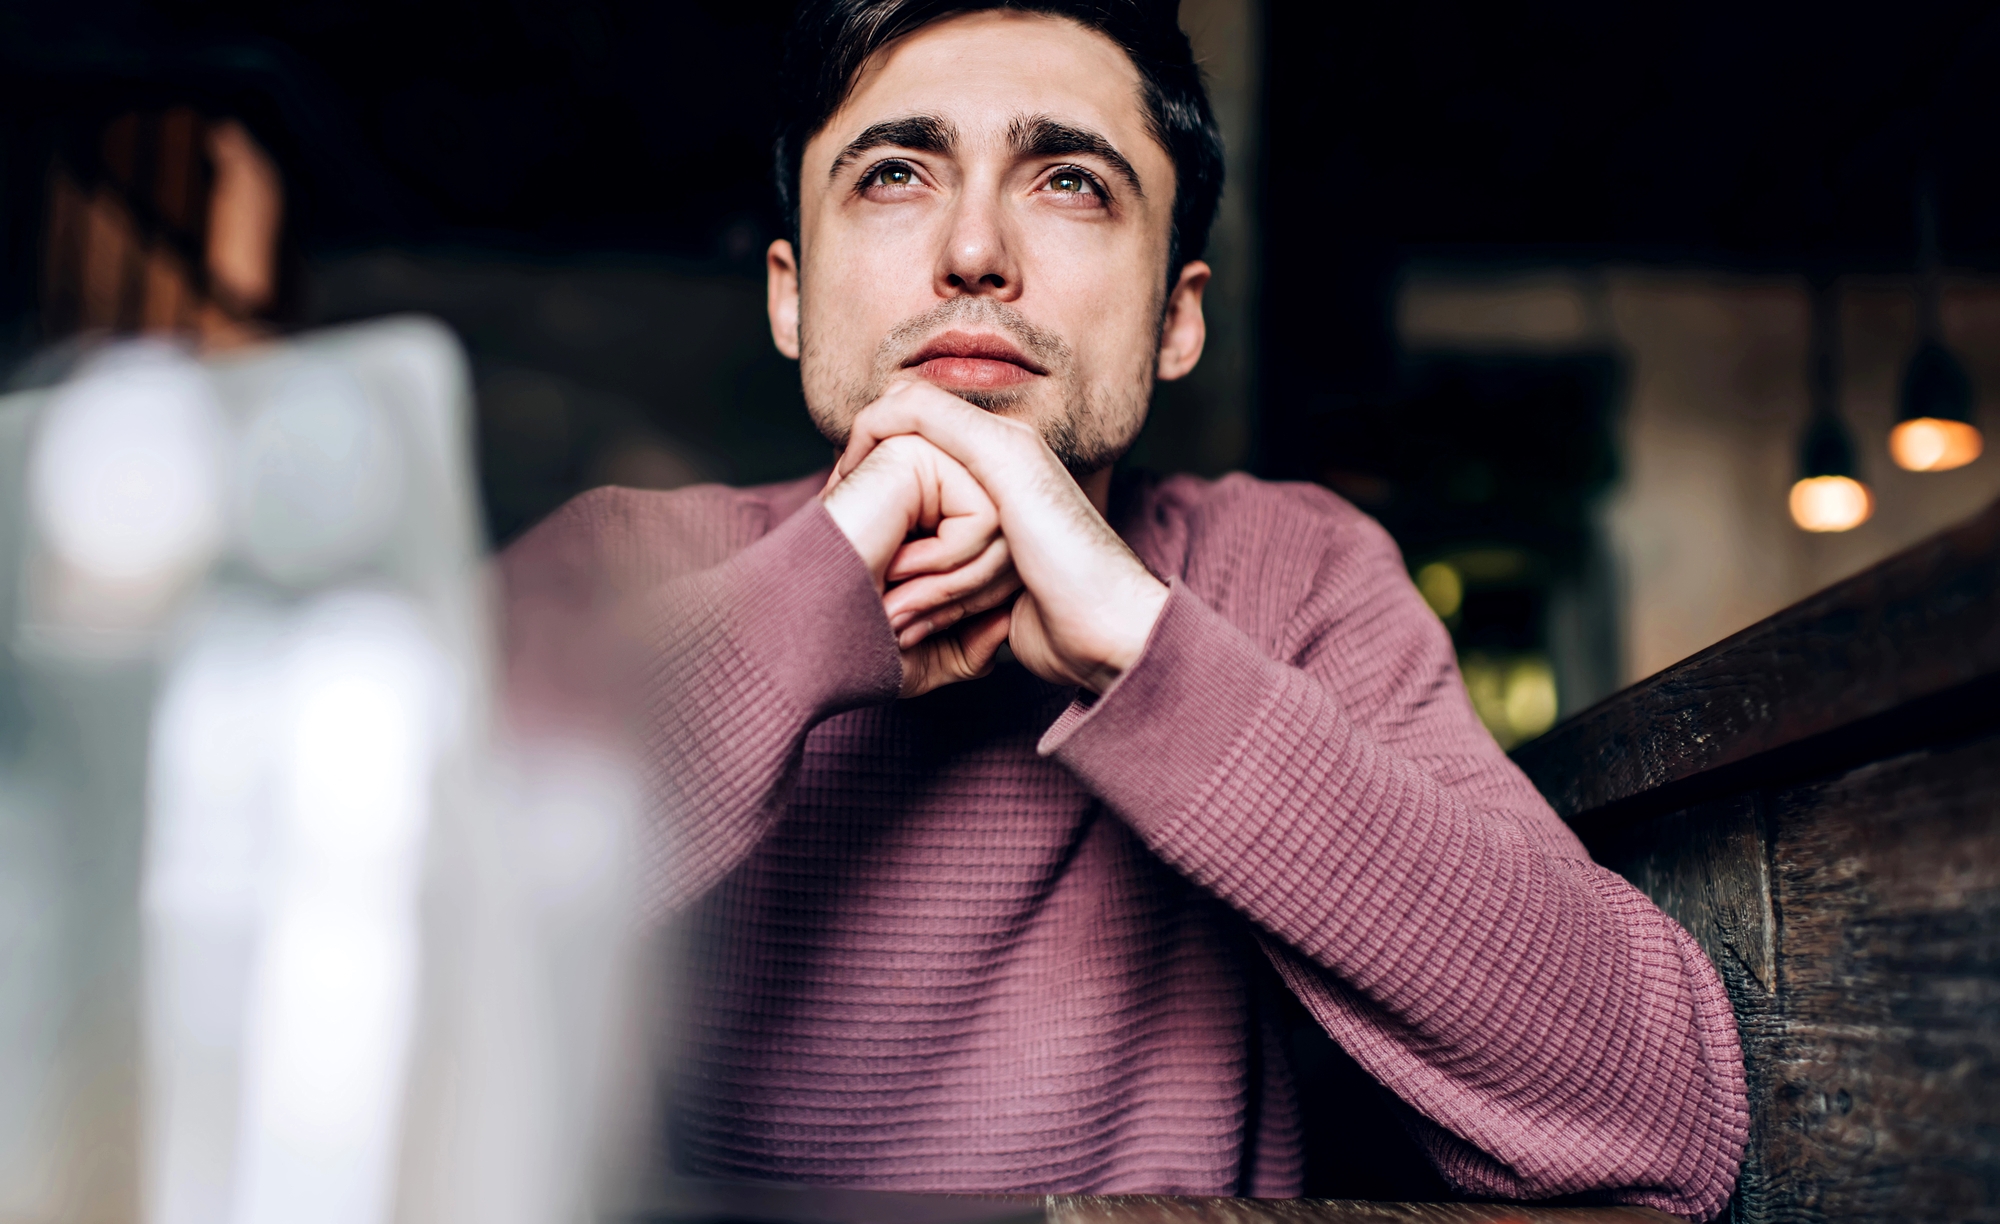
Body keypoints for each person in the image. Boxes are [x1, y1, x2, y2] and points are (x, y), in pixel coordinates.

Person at [499, 0, 1748, 1216]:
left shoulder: (1292, 574)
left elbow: (1665, 1125)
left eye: (1069, 183)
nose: (975, 250)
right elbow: (338, 997)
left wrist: (1142, 650)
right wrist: (797, 616)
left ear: (1175, 319)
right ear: (789, 293)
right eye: (892, 175)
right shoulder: (622, 565)